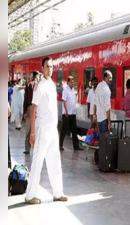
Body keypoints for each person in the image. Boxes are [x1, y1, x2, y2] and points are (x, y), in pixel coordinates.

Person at [25, 56, 67, 204]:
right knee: (37, 162)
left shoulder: (52, 84)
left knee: (55, 161)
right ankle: (30, 195)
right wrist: (33, 132)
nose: (50, 69)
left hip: (53, 129)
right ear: (42, 68)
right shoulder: (40, 86)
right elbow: (34, 109)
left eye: (51, 66)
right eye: (47, 66)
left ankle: (57, 193)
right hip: (42, 129)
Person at [59, 76, 82, 151]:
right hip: (67, 113)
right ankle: (60, 145)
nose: (72, 83)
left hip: (73, 113)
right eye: (71, 81)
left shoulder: (73, 90)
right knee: (64, 129)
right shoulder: (66, 90)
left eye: (73, 81)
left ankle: (76, 146)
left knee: (74, 130)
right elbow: (64, 101)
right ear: (68, 82)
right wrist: (66, 111)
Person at [23, 71, 40, 155]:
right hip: (38, 109)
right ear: (36, 76)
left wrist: (25, 111)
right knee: (37, 129)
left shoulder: (29, 85)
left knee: (29, 129)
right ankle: (37, 149)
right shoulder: (39, 85)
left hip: (30, 108)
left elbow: (26, 99)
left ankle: (27, 148)